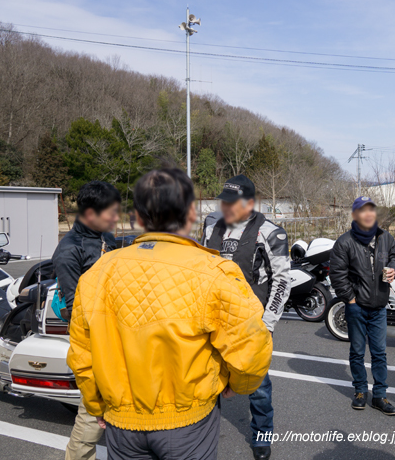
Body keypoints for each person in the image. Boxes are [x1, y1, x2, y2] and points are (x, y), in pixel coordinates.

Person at [67, 168, 272, 460]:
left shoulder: (97, 273)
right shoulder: (214, 271)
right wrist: (236, 383)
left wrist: (96, 404)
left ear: (137, 217)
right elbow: (251, 345)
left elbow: (81, 354)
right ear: (191, 213)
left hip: (121, 421)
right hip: (188, 421)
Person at [202, 174, 290, 460]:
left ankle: (262, 435)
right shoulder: (210, 226)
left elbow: (282, 281)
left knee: (259, 386)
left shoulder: (271, 232)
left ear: (250, 203)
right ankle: (203, 433)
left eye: (233, 203)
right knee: (208, 378)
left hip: (252, 323)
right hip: (214, 320)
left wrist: (267, 324)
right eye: (223, 201)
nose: (226, 207)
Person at [53, 181, 120, 460]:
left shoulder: (107, 237)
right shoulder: (70, 250)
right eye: (111, 213)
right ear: (90, 213)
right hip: (94, 340)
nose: (116, 218)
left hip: (118, 333)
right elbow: (74, 310)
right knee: (92, 415)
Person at [329, 196, 395, 416]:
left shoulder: (385, 238)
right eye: (363, 210)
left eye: (371, 209)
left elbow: (394, 257)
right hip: (357, 306)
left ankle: (379, 395)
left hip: (379, 306)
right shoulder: (345, 242)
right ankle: (360, 391)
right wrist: (350, 300)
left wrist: (394, 270)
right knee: (357, 351)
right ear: (355, 215)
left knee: (379, 353)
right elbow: (337, 275)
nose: (368, 214)